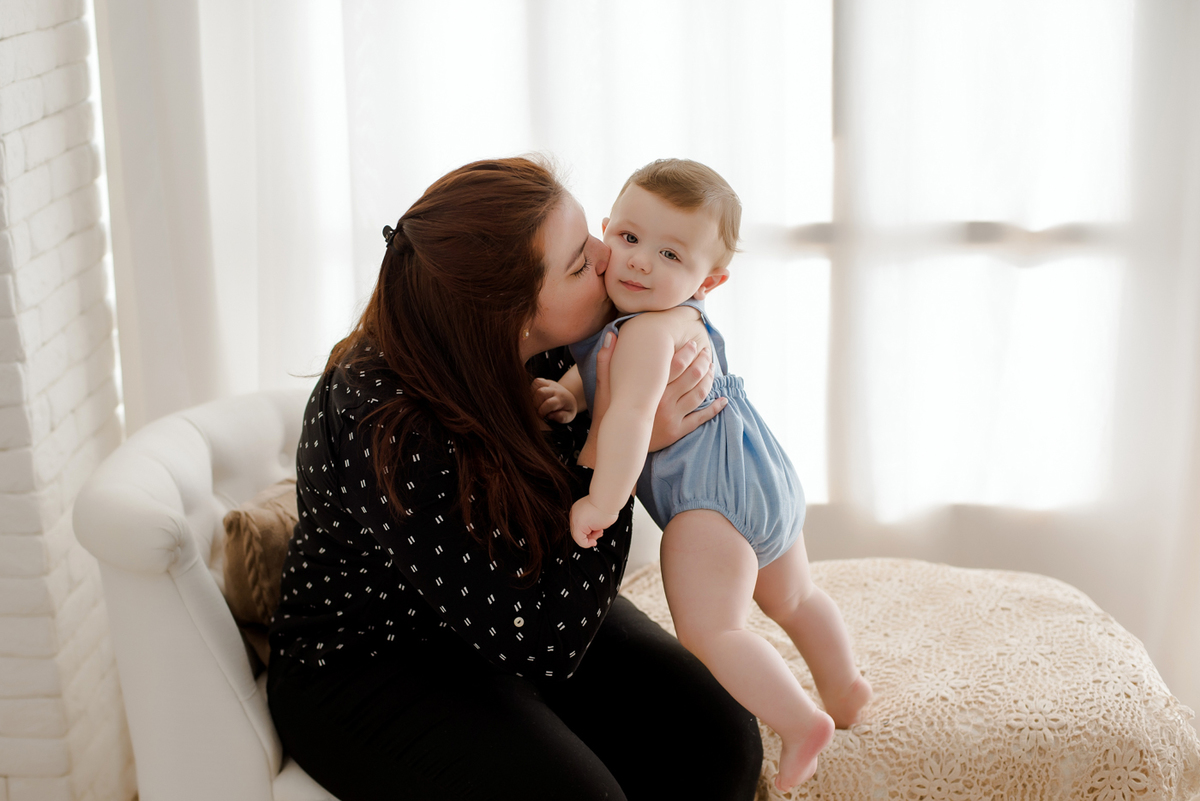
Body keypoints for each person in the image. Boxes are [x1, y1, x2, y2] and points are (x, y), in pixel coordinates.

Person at [266, 157, 764, 801]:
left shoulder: (551, 345)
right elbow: (549, 641)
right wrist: (623, 443)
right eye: (581, 263)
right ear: (512, 311)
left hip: (515, 589)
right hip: (377, 659)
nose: (607, 256)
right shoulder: (385, 421)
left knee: (719, 742)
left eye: (591, 234)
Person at [549, 159, 872, 791]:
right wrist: (568, 395)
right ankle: (846, 687)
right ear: (607, 230)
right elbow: (599, 378)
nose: (641, 262)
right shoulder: (680, 318)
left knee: (714, 630)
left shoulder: (643, 332)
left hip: (707, 506)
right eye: (630, 239)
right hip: (764, 478)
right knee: (794, 597)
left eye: (671, 254)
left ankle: (800, 720)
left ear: (711, 279)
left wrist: (601, 500)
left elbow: (633, 417)